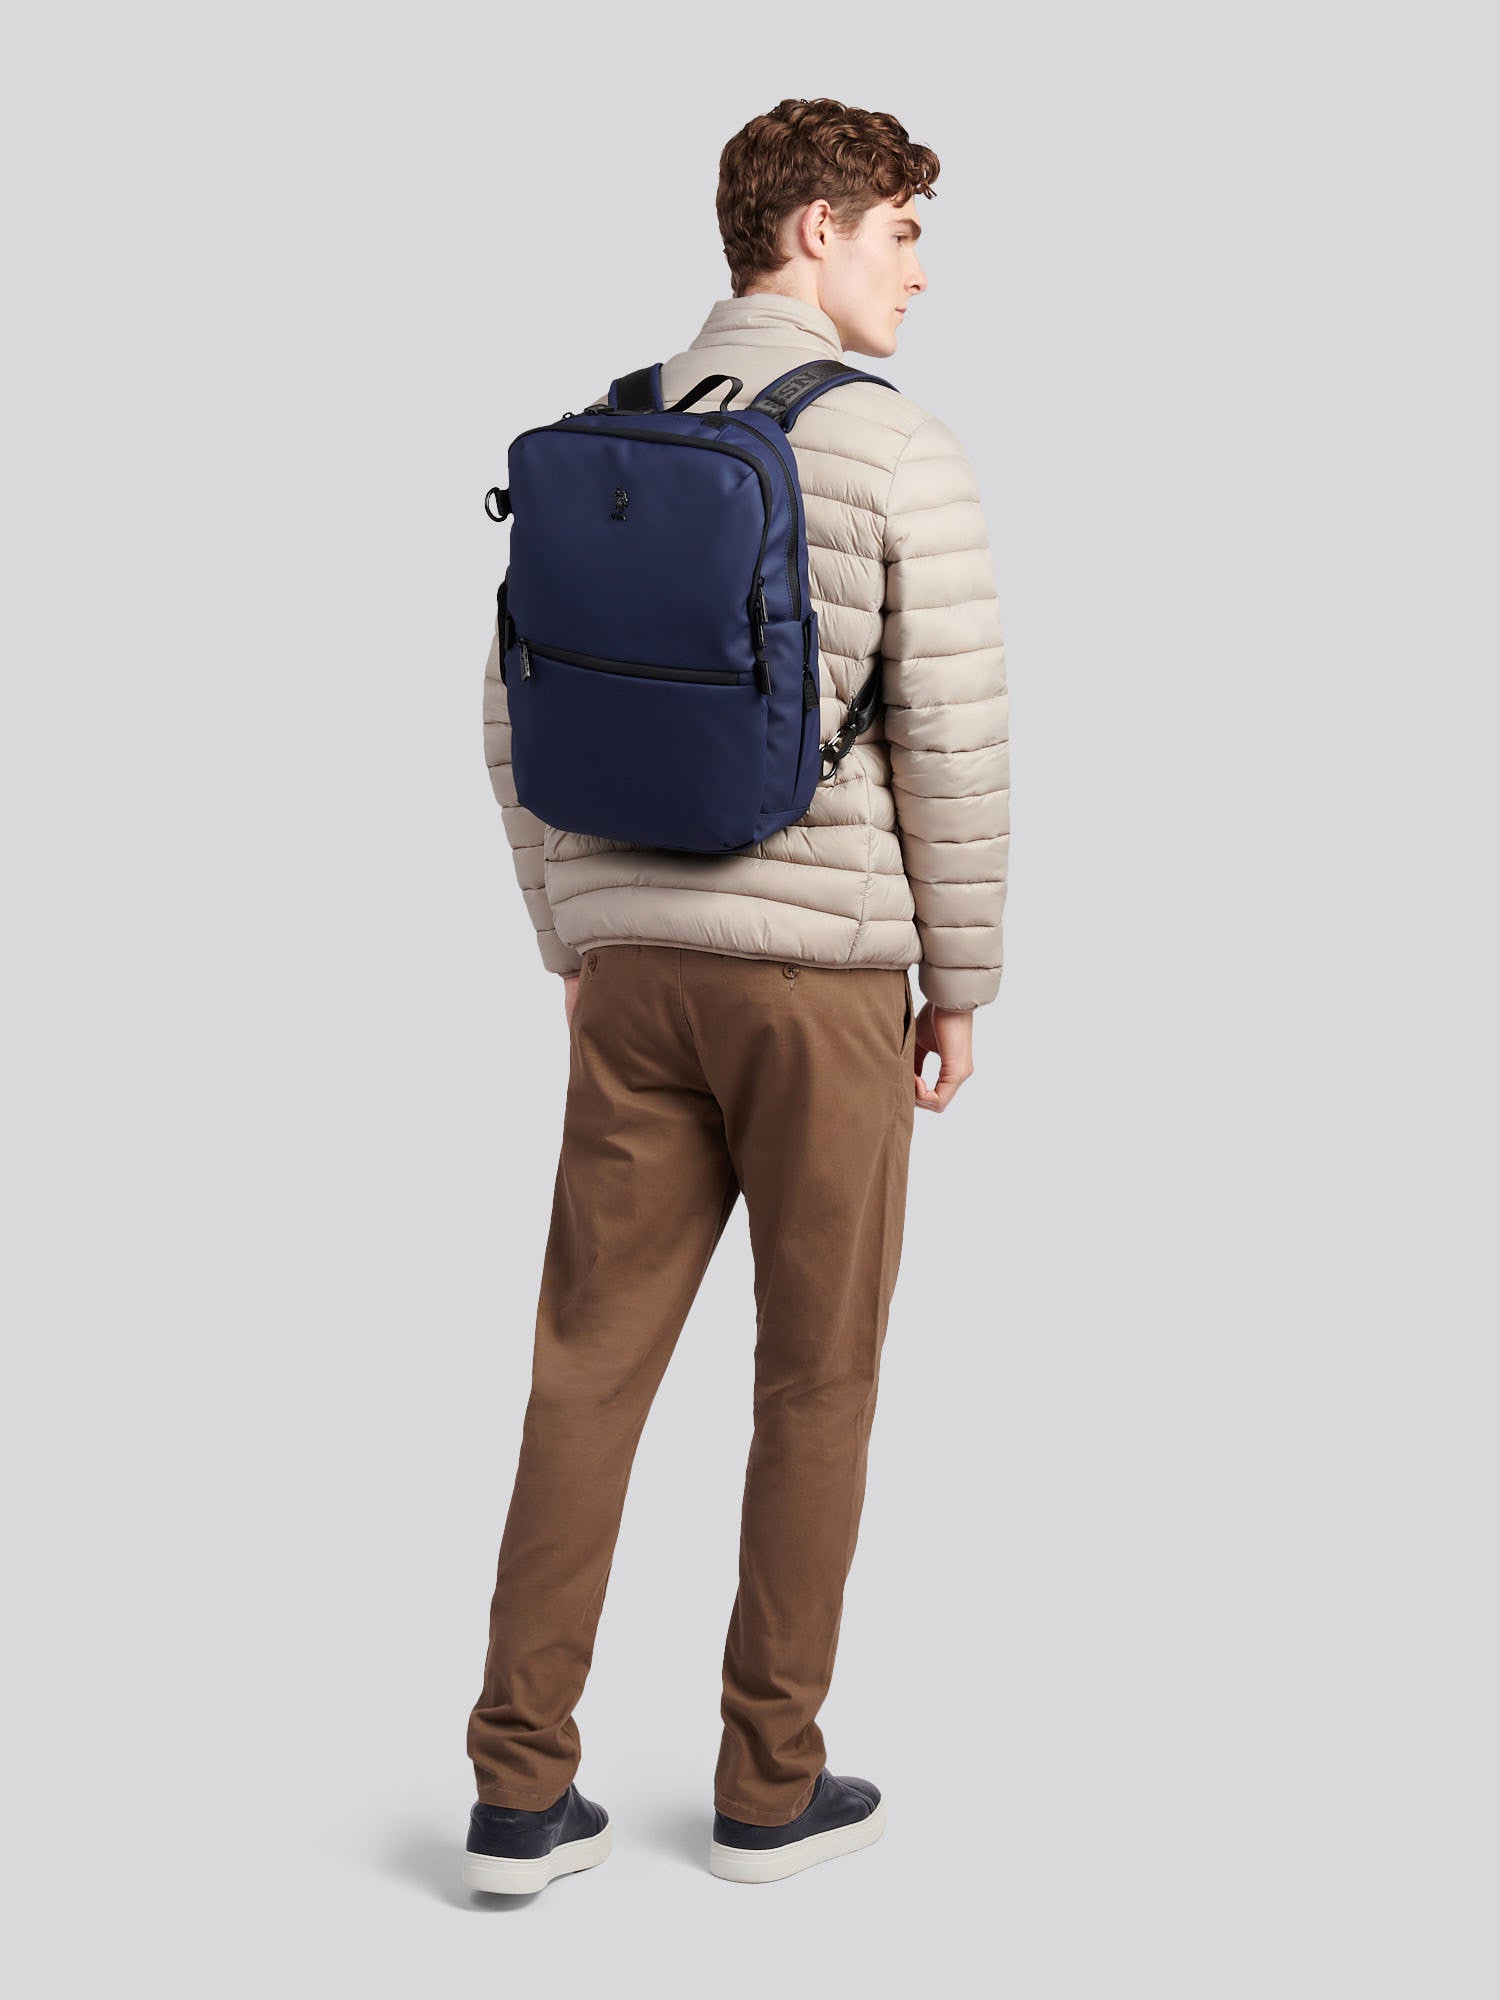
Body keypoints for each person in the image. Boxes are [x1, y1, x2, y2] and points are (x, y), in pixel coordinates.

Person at [464, 96, 1010, 1892]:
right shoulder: (896, 448)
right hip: (821, 982)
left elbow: (510, 713)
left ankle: (518, 1792)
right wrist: (961, 980)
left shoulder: (602, 435)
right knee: (816, 1378)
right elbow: (953, 741)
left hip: (630, 979)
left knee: (584, 1370)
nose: (918, 271)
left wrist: (576, 937)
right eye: (902, 232)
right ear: (814, 231)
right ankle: (770, 1785)